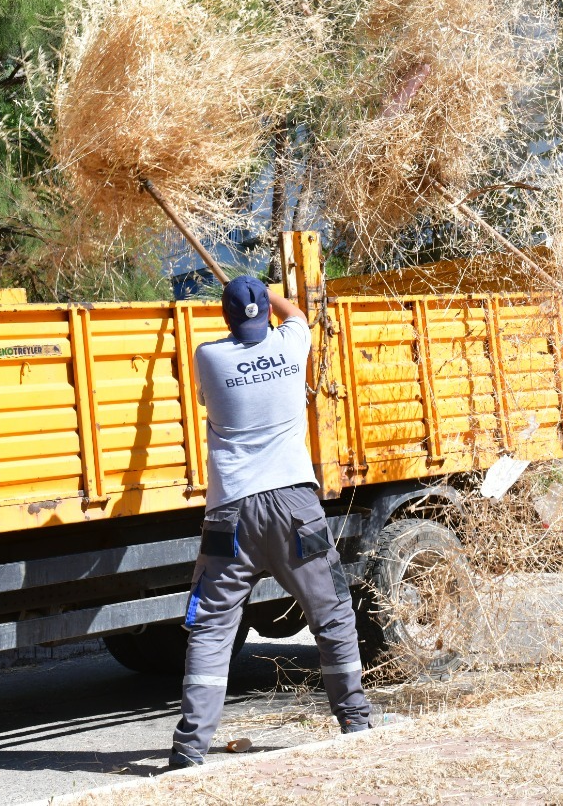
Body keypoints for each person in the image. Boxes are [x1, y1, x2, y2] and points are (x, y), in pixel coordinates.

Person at [169, 275, 370, 770]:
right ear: (266, 315)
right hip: (293, 506)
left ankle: (190, 749)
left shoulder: (209, 358)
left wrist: (242, 307)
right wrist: (268, 293)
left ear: (226, 318)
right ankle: (357, 723)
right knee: (332, 612)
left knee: (212, 630)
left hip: (230, 515)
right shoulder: (292, 342)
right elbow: (297, 314)